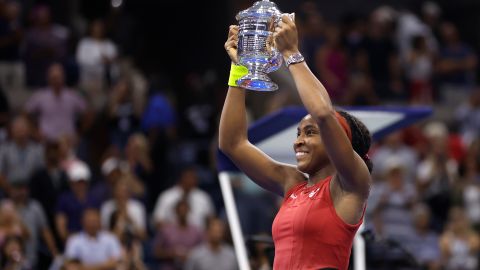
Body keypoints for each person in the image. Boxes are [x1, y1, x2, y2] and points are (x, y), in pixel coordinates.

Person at [220, 15, 372, 270]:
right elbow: (232, 144)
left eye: (310, 132)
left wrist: (291, 52)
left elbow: (323, 114)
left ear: (339, 141)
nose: (298, 141)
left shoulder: (352, 184)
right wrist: (241, 70)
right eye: (298, 133)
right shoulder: (293, 185)